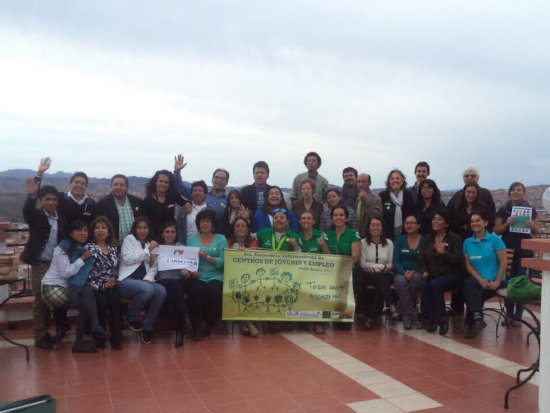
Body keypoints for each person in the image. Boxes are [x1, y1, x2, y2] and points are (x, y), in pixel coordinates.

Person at [41, 220, 109, 353]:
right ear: (71, 233)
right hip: (52, 288)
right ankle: (90, 330)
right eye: (79, 230)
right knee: (86, 304)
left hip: (63, 287)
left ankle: (84, 337)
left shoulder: (76, 247)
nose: (83, 233)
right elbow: (66, 273)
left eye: (85, 230)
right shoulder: (63, 247)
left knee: (87, 296)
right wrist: (82, 258)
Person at [20, 169, 69, 350]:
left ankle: (49, 332)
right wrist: (34, 187)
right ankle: (40, 336)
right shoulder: (36, 217)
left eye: (53, 199)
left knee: (53, 300)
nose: (50, 202)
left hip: (55, 266)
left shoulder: (62, 220)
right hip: (40, 263)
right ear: (41, 201)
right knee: (40, 301)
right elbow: (27, 209)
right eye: (47, 199)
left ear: (57, 202)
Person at [495, 182, 539, 326]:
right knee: (508, 283)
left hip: (524, 251)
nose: (516, 192)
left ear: (523, 192)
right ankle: (509, 314)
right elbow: (497, 231)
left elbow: (536, 232)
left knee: (521, 283)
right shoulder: (503, 210)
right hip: (507, 250)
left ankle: (518, 316)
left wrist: (533, 226)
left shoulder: (531, 210)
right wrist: (507, 224)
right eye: (513, 190)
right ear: (509, 193)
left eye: (519, 190)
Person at [118, 217, 166, 344]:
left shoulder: (152, 243)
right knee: (148, 290)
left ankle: (147, 326)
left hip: (143, 281)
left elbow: (154, 267)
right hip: (126, 280)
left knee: (161, 291)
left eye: (145, 228)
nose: (142, 230)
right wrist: (147, 251)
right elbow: (128, 259)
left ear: (149, 229)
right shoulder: (129, 239)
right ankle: (131, 317)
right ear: (135, 229)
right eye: (139, 227)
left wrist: (147, 279)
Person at [419, 209, 464, 335]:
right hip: (433, 275)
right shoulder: (429, 238)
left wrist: (444, 254)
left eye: (439, 219)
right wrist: (424, 270)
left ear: (447, 223)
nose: (435, 221)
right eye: (434, 219)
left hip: (452, 276)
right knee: (424, 284)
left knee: (435, 284)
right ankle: (432, 318)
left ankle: (442, 319)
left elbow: (459, 260)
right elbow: (422, 258)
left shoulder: (454, 238)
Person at [463, 211, 507, 338]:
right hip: (479, 282)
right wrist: (481, 280)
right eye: (472, 221)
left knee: (470, 292)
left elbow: (504, 261)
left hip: (496, 281)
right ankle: (477, 320)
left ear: (485, 223)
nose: (474, 223)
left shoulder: (494, 239)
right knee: (470, 285)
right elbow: (469, 266)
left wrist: (496, 282)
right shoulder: (467, 242)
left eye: (478, 220)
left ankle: (473, 321)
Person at [186, 209, 228, 340]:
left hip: (216, 275)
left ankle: (210, 323)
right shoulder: (191, 239)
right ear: (199, 223)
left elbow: (225, 260)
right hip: (197, 275)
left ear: (213, 224)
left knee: (213, 292)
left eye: (208, 221)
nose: (205, 224)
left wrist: (208, 258)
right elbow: (187, 260)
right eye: (202, 221)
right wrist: (192, 271)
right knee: (195, 293)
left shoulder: (221, 238)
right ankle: (196, 327)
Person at [86, 216, 123, 350]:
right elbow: (85, 273)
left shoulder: (113, 248)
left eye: (103, 228)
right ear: (93, 231)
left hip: (111, 284)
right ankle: (99, 339)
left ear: (108, 231)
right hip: (94, 286)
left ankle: (116, 339)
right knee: (101, 303)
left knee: (115, 301)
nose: (100, 230)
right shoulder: (88, 248)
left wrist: (114, 277)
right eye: (97, 228)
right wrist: (102, 286)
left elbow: (116, 267)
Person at [154, 222, 189, 348]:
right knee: (174, 286)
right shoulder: (157, 247)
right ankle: (182, 321)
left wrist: (186, 271)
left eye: (173, 232)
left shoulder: (181, 246)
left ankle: (180, 328)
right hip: (162, 281)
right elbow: (151, 267)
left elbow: (188, 265)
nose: (170, 234)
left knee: (176, 286)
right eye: (167, 231)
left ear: (176, 234)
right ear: (162, 233)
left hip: (179, 280)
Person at [358, 218, 396, 329]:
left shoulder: (389, 243)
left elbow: (390, 263)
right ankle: (391, 304)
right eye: (372, 225)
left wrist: (379, 268)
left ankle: (370, 317)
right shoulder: (363, 243)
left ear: (382, 228)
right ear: (369, 228)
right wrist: (380, 268)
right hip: (368, 275)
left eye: (378, 225)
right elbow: (363, 263)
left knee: (381, 282)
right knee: (380, 281)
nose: (375, 227)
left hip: (386, 274)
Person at [36, 157, 96, 225]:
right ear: (70, 184)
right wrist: (39, 174)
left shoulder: (91, 203)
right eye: (76, 182)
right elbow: (38, 193)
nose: (79, 185)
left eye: (83, 183)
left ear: (86, 186)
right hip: (61, 235)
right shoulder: (60, 199)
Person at [228, 217, 259, 338]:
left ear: (247, 229)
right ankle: (248, 324)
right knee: (237, 291)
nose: (240, 228)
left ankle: (246, 323)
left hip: (250, 275)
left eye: (243, 226)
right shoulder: (228, 242)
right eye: (237, 226)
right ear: (234, 229)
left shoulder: (253, 242)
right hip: (232, 275)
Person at [393, 214, 425, 329]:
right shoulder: (399, 240)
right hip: (401, 272)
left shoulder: (424, 240)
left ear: (418, 225)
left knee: (416, 279)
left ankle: (404, 310)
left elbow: (425, 261)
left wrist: (414, 271)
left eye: (412, 223)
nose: (409, 225)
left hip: (418, 272)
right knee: (401, 281)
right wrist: (403, 272)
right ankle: (410, 313)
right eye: (406, 223)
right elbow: (395, 261)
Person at [173, 154, 230, 218]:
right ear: (212, 180)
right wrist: (177, 171)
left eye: (222, 179)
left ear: (227, 182)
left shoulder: (229, 200)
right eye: (216, 178)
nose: (219, 180)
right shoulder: (199, 193)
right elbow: (180, 187)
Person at [96, 174, 142, 241]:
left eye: (121, 185)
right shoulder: (102, 205)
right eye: (115, 184)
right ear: (111, 187)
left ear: (127, 188)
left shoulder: (138, 202)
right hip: (113, 246)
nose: (118, 187)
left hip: (135, 246)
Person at [141, 170, 184, 237]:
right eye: (161, 181)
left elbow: (184, 203)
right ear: (156, 182)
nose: (163, 184)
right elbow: (144, 221)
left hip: (170, 236)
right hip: (154, 237)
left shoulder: (172, 195)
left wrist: (188, 204)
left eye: (166, 182)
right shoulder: (148, 200)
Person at [379, 169, 415, 240]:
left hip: (405, 234)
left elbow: (411, 214)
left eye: (398, 178)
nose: (395, 180)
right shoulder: (383, 196)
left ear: (402, 181)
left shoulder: (407, 195)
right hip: (386, 236)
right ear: (389, 182)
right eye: (392, 178)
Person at [356, 173, 383, 238]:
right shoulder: (358, 196)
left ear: (369, 183)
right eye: (359, 182)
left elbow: (376, 216)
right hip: (358, 235)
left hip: (369, 236)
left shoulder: (376, 198)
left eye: (363, 182)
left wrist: (365, 199)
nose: (361, 184)